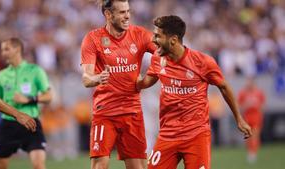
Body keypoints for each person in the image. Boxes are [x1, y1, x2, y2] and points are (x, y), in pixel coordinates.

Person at [136, 15, 252, 169]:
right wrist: (126, 76)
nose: (153, 40)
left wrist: (239, 118)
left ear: (173, 40)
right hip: (167, 134)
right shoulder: (157, 59)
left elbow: (224, 87)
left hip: (196, 135)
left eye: (158, 36)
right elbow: (144, 83)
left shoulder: (203, 62)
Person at [80, 0, 155, 168]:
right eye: (122, 12)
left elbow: (164, 52)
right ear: (108, 14)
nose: (127, 15)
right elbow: (86, 78)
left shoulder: (140, 35)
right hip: (105, 112)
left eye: (128, 11)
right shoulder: (93, 38)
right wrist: (97, 78)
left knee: (139, 167)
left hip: (132, 111)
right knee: (100, 165)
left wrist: (149, 76)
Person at [0, 37, 52, 169]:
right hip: (8, 124)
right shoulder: (1, 75)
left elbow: (48, 96)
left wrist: (29, 99)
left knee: (39, 165)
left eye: (6, 49)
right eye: (2, 50)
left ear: (17, 49)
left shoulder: (35, 70)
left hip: (30, 122)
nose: (3, 53)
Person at [238, 77, 265, 164]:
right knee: (248, 136)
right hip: (247, 117)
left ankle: (254, 152)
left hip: (256, 116)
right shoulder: (243, 93)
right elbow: (239, 106)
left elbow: (262, 105)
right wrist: (247, 105)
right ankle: (250, 151)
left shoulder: (259, 93)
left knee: (255, 135)